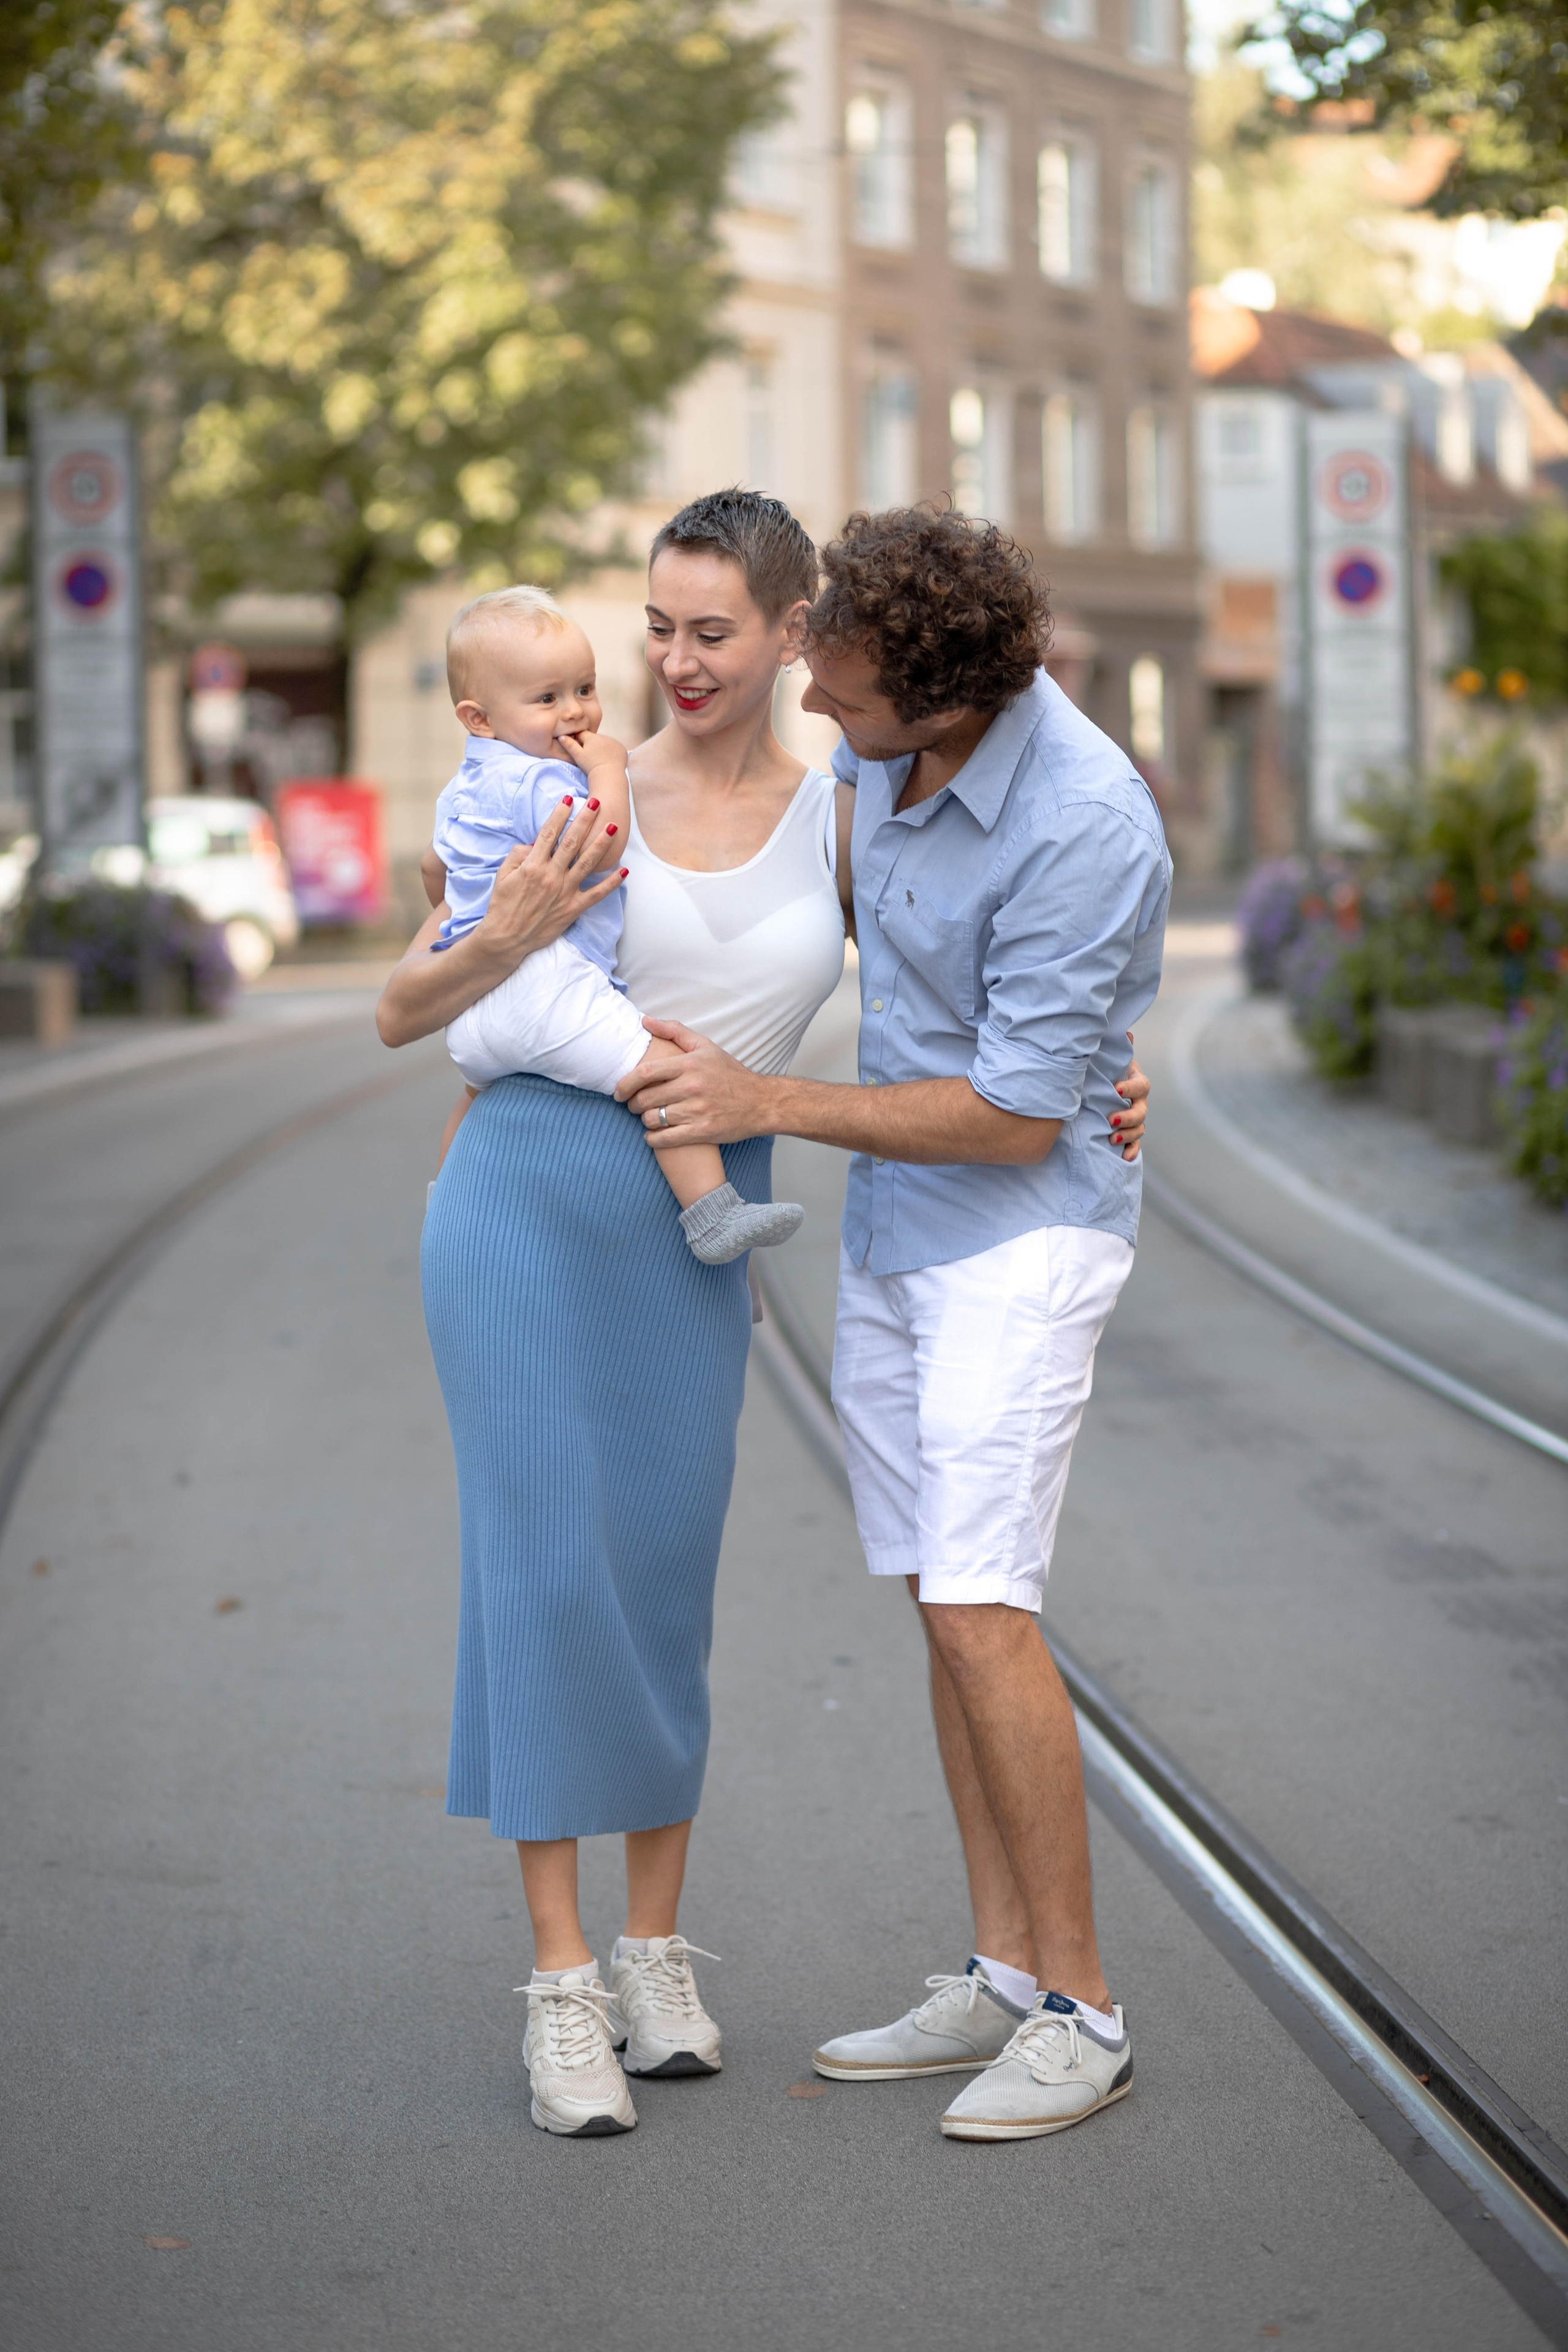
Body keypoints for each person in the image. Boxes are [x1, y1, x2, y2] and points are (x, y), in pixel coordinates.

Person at [377, 491, 1151, 2141]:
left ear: (798, 635)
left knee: (661, 1590)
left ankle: (654, 1951)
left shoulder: (852, 808)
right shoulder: (574, 789)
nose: (674, 660)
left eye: (710, 629)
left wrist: (1101, 1068)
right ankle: (560, 1980)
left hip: (698, 1226)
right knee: (540, 1577)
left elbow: (984, 983)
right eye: (655, 626)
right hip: (526, 1201)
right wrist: (495, 931)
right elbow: (404, 1003)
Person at [616, 503, 1170, 2144]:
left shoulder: (1084, 821)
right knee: (941, 1597)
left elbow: (1013, 1115)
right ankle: (1002, 1972)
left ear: (942, 691)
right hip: (901, 1231)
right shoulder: (884, 757)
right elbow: (888, 957)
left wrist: (769, 1099)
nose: (815, 708)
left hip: (1022, 1240)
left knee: (987, 1601)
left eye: (842, 695)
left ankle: (1083, 2012)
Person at [422, 581, 802, 1264]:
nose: (574, 711)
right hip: (545, 987)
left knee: (474, 1096)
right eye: (547, 698)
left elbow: (435, 870)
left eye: (584, 688)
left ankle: (444, 1198)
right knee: (665, 1073)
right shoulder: (540, 780)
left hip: (475, 1009)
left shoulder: (463, 786)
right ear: (479, 718)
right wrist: (607, 769)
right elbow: (602, 841)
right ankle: (713, 1214)